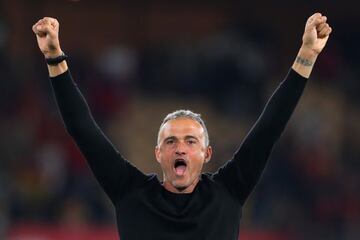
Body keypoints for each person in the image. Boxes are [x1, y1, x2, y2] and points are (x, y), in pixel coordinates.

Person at [32, 12, 332, 239]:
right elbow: (82, 129)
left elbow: (270, 126)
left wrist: (306, 55)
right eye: (171, 142)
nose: (181, 148)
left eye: (191, 141)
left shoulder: (228, 191)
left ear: (207, 153)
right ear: (158, 153)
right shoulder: (130, 192)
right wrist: (53, 56)